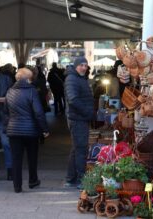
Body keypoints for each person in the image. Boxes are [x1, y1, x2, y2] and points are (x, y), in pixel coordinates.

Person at [5, 68, 49, 193]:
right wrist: (44, 129)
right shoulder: (32, 91)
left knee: (16, 159)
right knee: (32, 157)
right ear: (28, 79)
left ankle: (17, 186)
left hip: (13, 130)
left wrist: (7, 126)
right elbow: (39, 113)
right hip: (31, 131)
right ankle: (33, 181)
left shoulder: (9, 91)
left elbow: (5, 112)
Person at [64, 57, 94, 189]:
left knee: (77, 149)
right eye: (81, 65)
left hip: (80, 118)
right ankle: (82, 180)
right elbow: (73, 99)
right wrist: (88, 112)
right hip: (78, 119)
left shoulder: (80, 78)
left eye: (85, 65)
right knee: (81, 149)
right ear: (76, 66)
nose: (84, 67)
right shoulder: (72, 79)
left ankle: (71, 178)